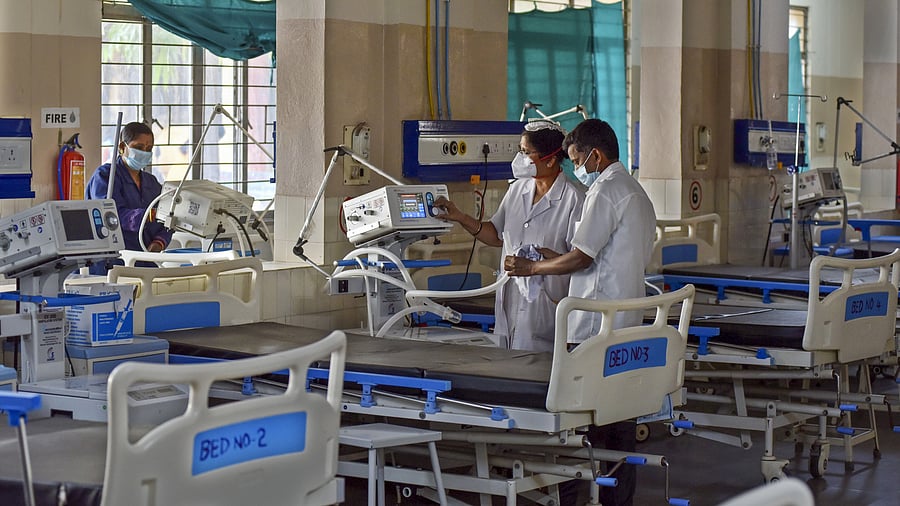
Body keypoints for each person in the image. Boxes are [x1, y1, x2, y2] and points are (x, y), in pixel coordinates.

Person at [503, 119, 656, 506]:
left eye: (576, 160)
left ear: (595, 155)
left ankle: (571, 497)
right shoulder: (635, 192)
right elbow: (604, 257)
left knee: (581, 425)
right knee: (619, 420)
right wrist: (554, 258)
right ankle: (616, 500)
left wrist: (533, 268)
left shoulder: (603, 191)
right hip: (624, 320)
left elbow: (583, 256)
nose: (577, 168)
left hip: (592, 325)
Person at [433, 120, 584, 351]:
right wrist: (461, 217)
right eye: (519, 151)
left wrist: (537, 263)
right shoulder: (517, 189)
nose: (519, 158)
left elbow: (580, 259)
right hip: (510, 302)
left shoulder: (575, 198)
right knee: (510, 364)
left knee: (542, 374)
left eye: (525, 152)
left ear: (551, 159)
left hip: (548, 306)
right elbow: (495, 234)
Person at [85, 121, 171, 272]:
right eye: (138, 147)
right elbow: (111, 216)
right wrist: (148, 215)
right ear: (122, 147)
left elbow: (168, 219)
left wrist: (160, 242)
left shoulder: (151, 183)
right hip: (110, 262)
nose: (144, 152)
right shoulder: (105, 177)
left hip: (145, 262)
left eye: (149, 149)